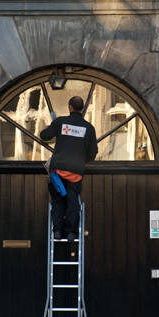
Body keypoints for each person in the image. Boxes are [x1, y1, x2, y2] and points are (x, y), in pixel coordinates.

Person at [40, 96, 98, 241]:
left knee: (58, 200)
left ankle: (58, 231)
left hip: (58, 170)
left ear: (70, 107)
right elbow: (93, 152)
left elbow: (44, 136)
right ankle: (71, 232)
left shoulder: (60, 122)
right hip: (75, 172)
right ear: (82, 108)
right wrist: (82, 159)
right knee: (73, 202)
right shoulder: (89, 128)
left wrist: (48, 128)